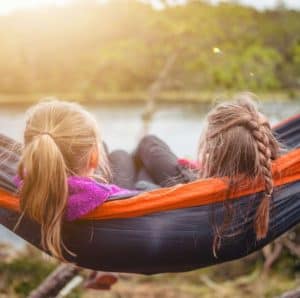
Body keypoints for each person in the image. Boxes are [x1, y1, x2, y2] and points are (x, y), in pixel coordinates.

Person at [135, 93, 281, 256]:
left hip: (180, 189)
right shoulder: (275, 176)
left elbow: (142, 188)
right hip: (195, 181)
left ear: (213, 150)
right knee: (143, 152)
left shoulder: (204, 193)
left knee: (139, 148)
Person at [15, 100, 138, 289]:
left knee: (119, 154)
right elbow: (137, 197)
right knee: (141, 148)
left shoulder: (26, 188)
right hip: (127, 205)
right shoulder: (106, 196)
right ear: (94, 158)